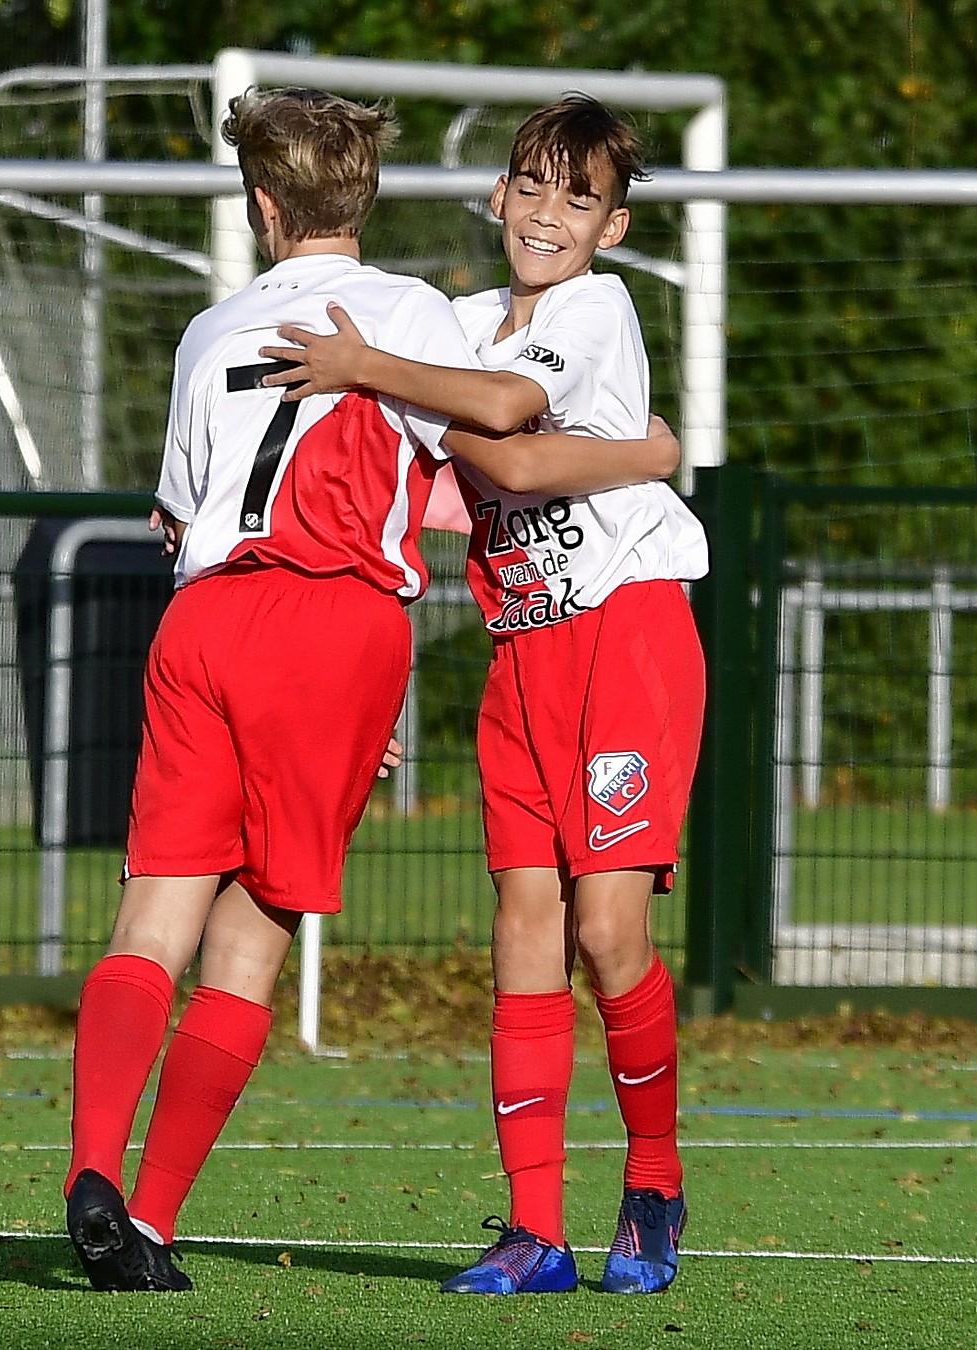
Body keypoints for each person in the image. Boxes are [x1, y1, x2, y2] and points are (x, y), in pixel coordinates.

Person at [262, 94, 706, 1296]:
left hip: (630, 635)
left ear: (612, 226)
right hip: (523, 657)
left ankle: (654, 1182)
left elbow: (504, 431)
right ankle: (535, 1230)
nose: (547, 214)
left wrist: (373, 371)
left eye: (579, 196)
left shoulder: (592, 309)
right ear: (498, 195)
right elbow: (389, 468)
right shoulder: (454, 323)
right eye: (532, 186)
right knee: (522, 931)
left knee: (609, 932)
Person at [55, 86, 484, 1293]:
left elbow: (178, 512)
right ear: (367, 195)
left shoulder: (205, 332)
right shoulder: (414, 315)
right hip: (336, 619)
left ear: (261, 204)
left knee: (151, 918)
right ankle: (149, 1217)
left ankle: (93, 1164)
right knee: (248, 944)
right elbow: (486, 438)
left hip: (204, 620)